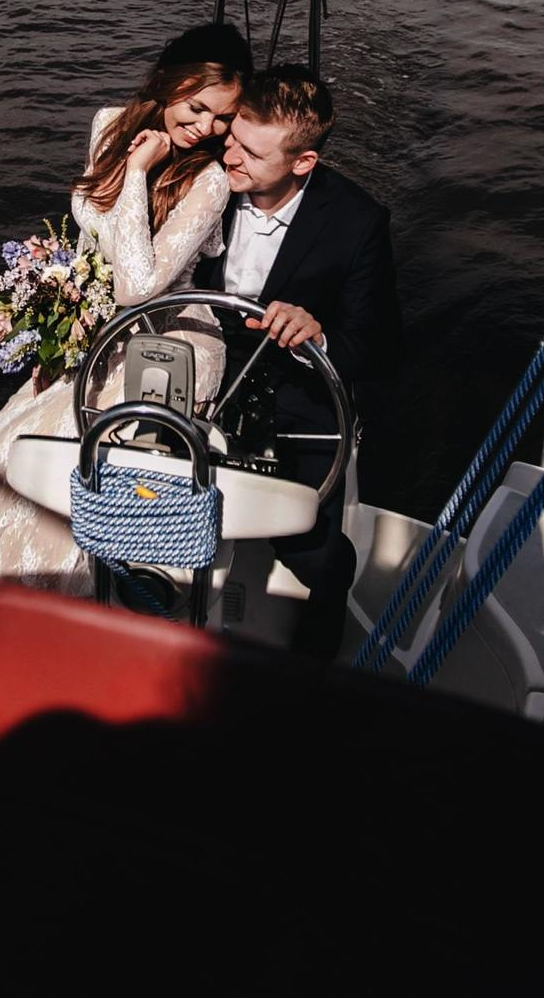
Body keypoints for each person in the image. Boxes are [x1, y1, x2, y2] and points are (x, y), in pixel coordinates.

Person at [0, 23, 252, 592]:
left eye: (224, 118)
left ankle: (61, 612)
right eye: (197, 108)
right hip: (96, 325)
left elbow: (137, 286)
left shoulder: (211, 179)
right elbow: (90, 244)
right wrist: (62, 321)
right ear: (169, 84)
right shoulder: (107, 125)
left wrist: (139, 174)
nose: (207, 129)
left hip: (168, 340)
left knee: (66, 465)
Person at [196, 67, 401, 659]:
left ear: (303, 163)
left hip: (297, 403)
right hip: (200, 387)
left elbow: (381, 347)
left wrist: (320, 334)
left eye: (252, 153)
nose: (230, 156)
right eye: (232, 137)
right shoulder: (206, 178)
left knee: (310, 550)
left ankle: (319, 648)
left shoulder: (358, 223)